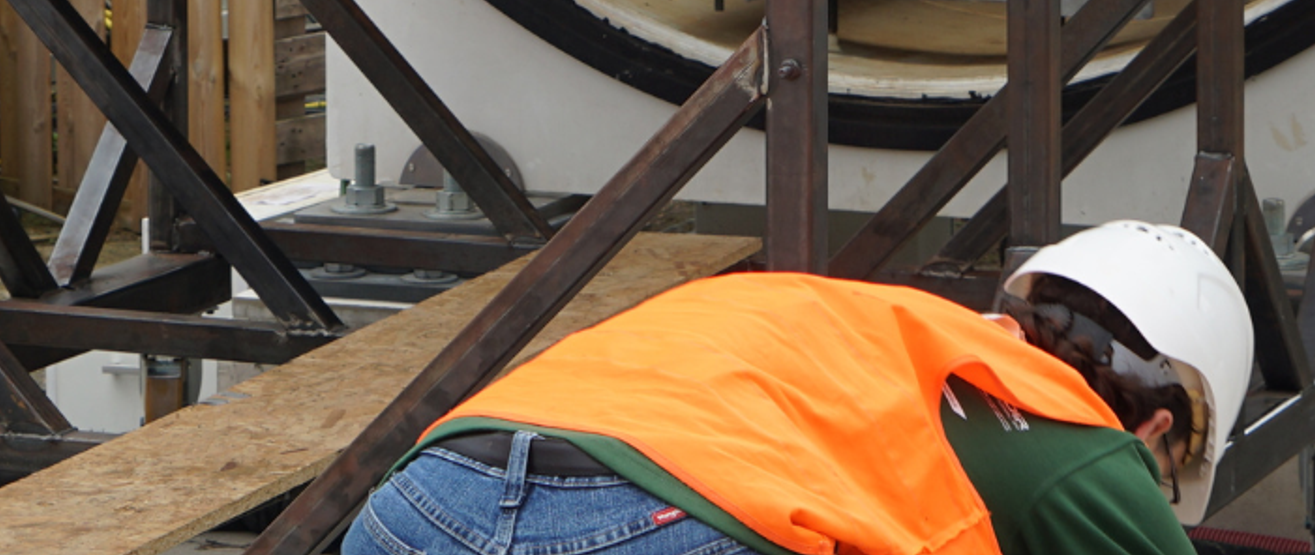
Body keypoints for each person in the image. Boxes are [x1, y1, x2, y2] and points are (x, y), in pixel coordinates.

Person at [347, 221, 1254, 555]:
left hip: (418, 506)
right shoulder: (1080, 439)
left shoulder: (871, 335)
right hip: (659, 525)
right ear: (1157, 427)